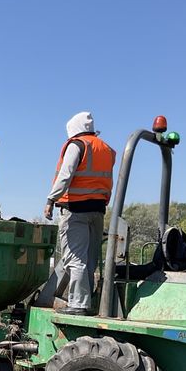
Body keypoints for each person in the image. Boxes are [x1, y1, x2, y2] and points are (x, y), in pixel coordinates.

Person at [43, 111, 116, 315]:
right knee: (90, 259)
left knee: (75, 258)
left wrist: (51, 200)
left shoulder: (77, 145)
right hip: (98, 210)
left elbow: (66, 175)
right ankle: (87, 301)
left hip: (75, 210)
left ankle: (78, 304)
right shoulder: (106, 149)